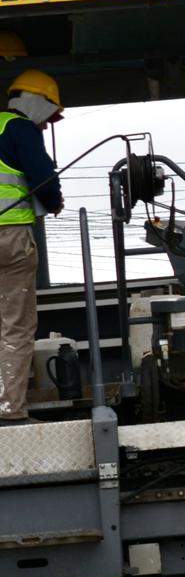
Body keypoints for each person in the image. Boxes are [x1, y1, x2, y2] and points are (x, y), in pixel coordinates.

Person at [0, 69, 63, 424]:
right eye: (49, 117)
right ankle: (9, 411)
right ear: (39, 103)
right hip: (9, 238)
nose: (46, 126)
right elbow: (44, 181)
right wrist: (54, 203)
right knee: (15, 326)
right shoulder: (20, 128)